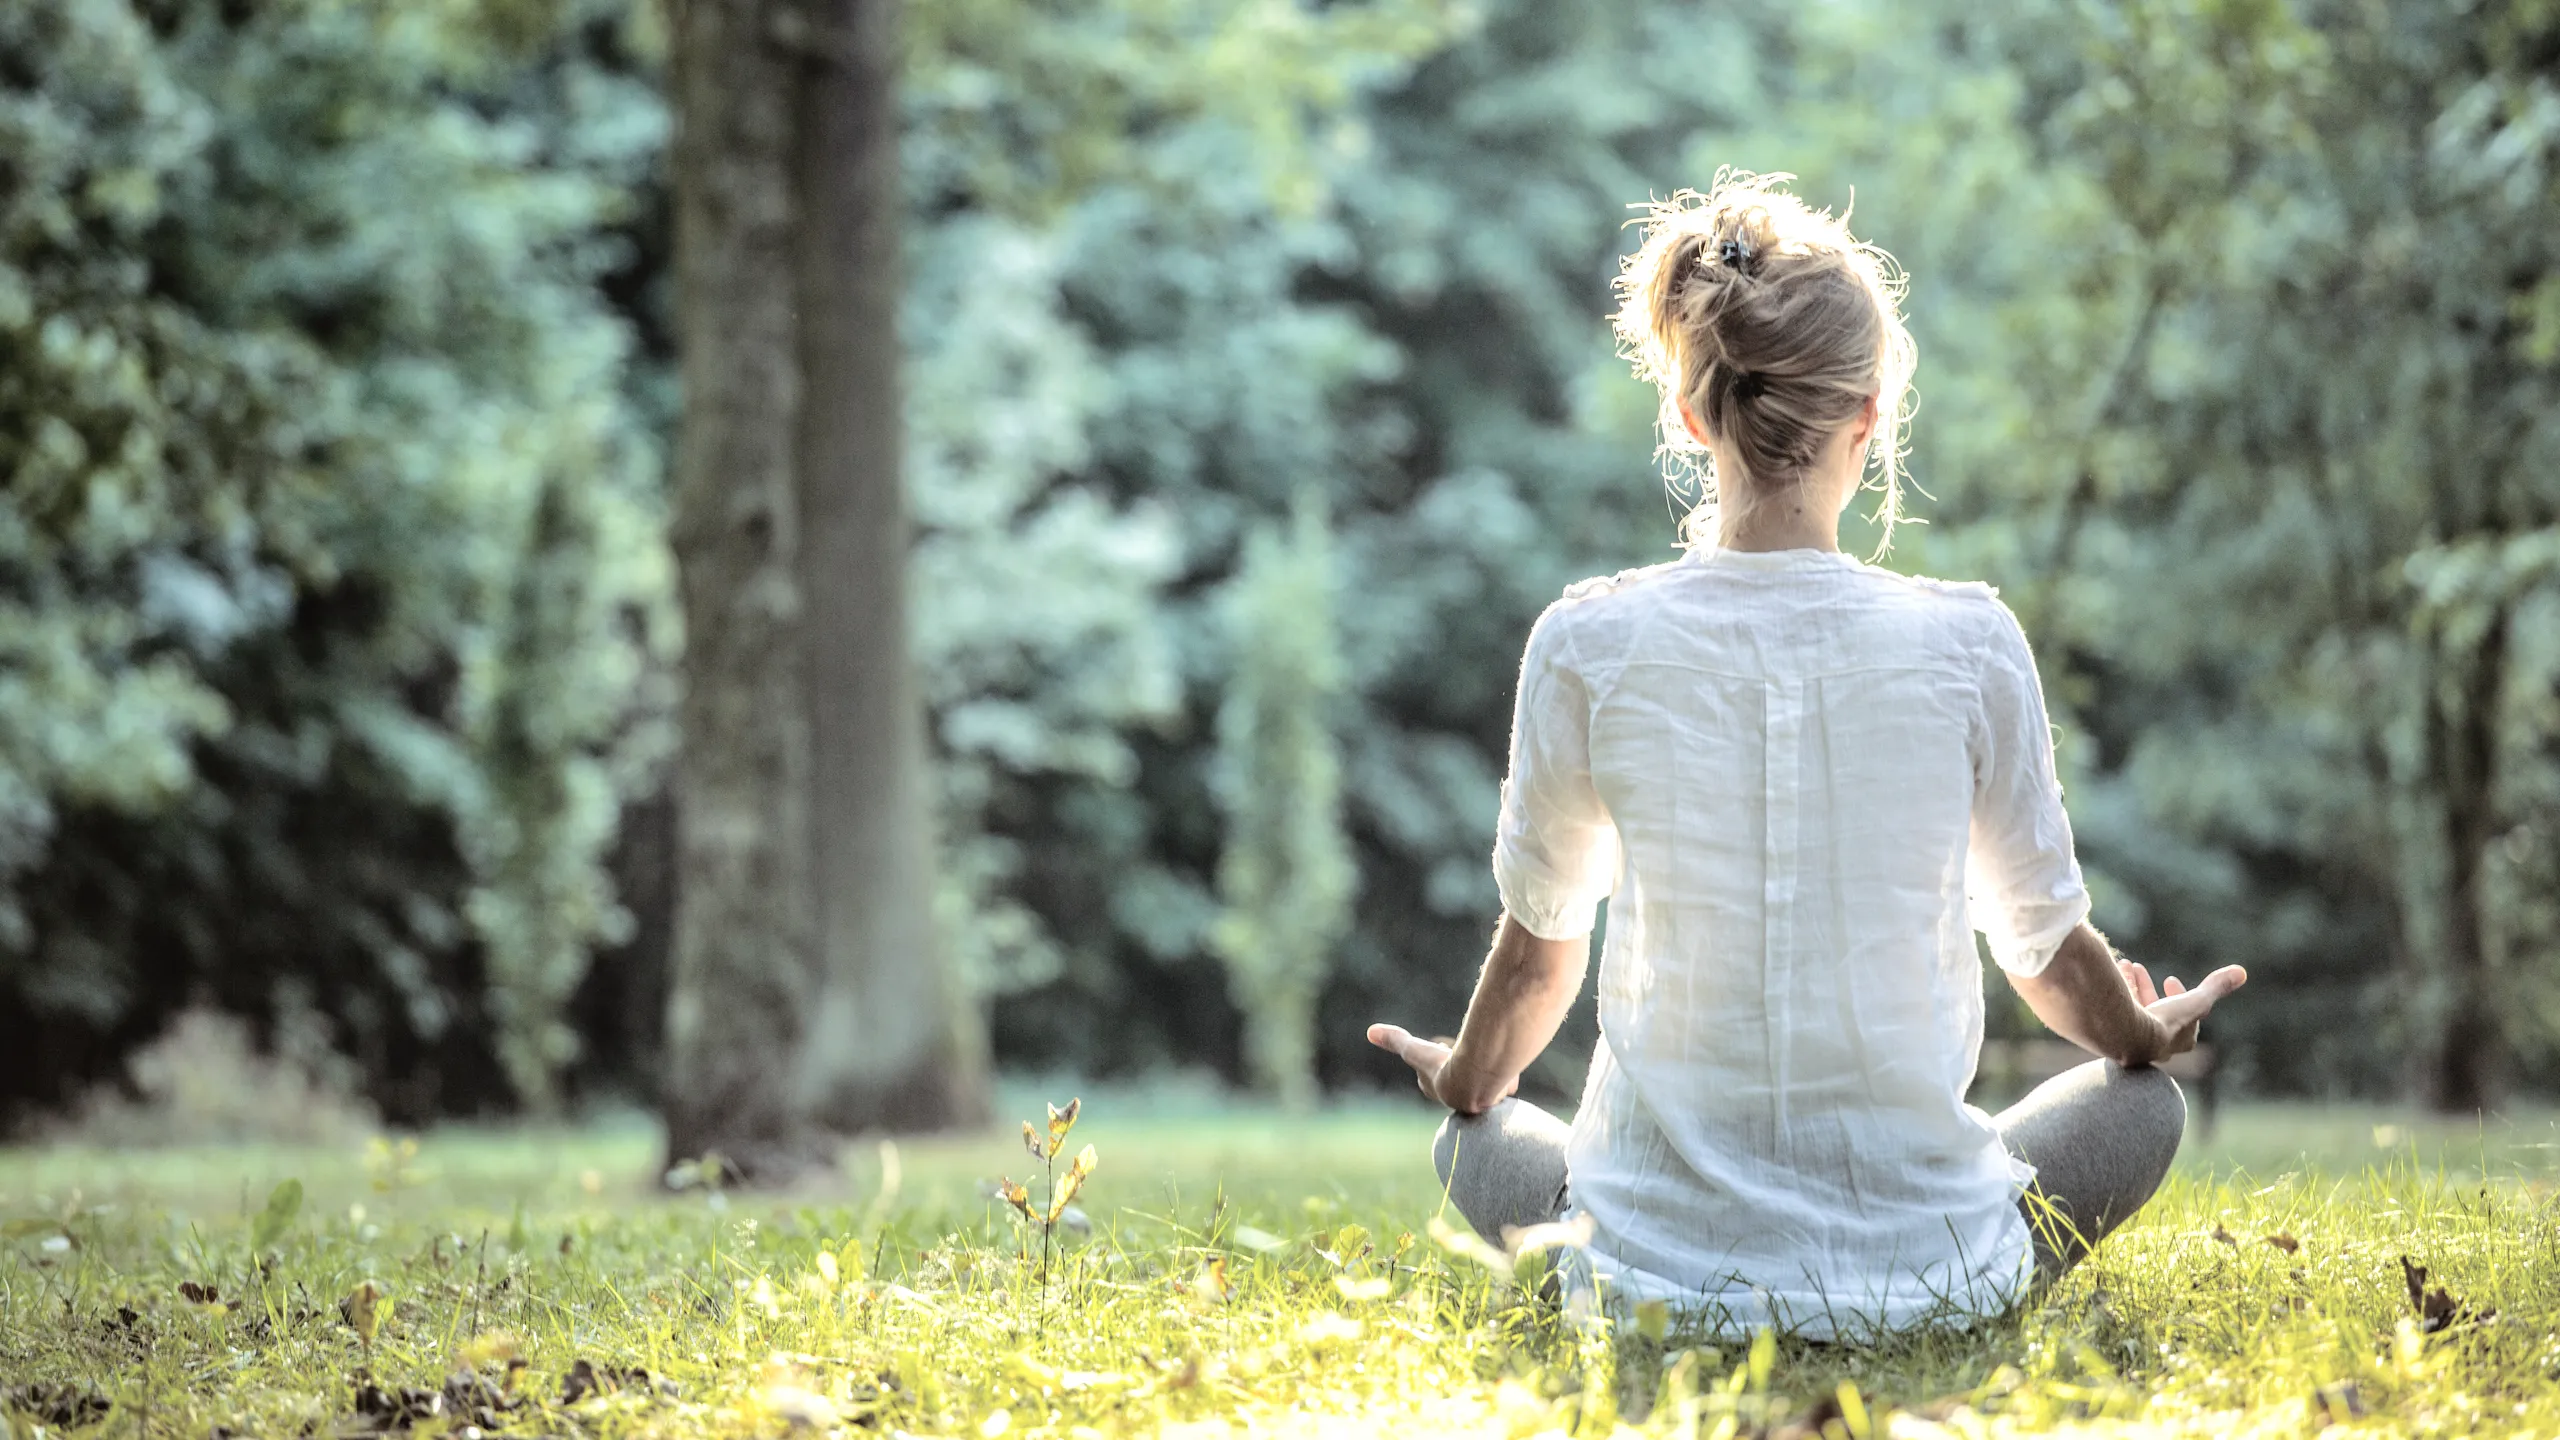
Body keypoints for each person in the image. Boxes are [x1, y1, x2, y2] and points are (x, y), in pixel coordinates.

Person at [1364, 172, 2246, 1337]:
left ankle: (1625, 1254)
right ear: (1868, 417)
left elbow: (1537, 962)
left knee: (1472, 1138)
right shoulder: (1968, 640)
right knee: (2143, 1113)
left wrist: (1466, 1079)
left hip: (1649, 1289)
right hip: (1926, 1275)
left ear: (1690, 416)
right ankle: (1940, 1280)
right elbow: (2040, 950)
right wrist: (2141, 1034)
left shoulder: (1585, 641)